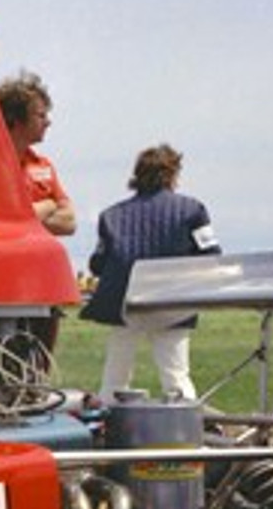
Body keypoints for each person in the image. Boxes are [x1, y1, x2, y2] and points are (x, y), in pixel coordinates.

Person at [81, 143, 220, 402]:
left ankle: (107, 427)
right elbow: (211, 255)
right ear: (172, 175)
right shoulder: (192, 210)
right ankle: (185, 430)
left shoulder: (110, 216)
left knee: (115, 377)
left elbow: (98, 264)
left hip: (125, 304)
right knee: (176, 376)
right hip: (173, 302)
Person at [0, 70, 77, 236]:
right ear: (16, 118)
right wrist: (49, 205)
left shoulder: (43, 165)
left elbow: (70, 223)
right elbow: (6, 220)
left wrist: (28, 215)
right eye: (41, 115)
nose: (48, 122)